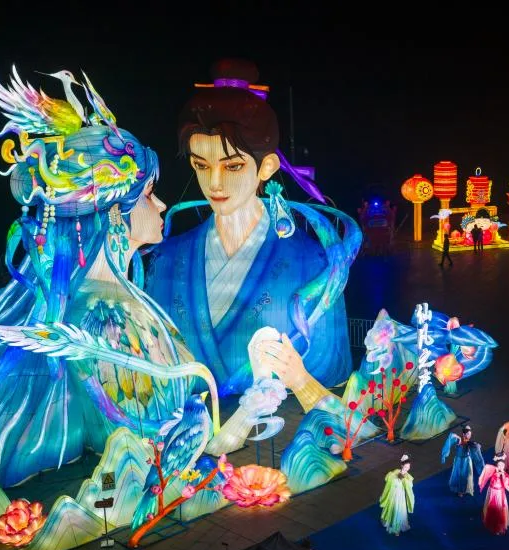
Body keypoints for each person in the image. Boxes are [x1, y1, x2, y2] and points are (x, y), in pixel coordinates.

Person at [0, 69, 215, 490]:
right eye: (148, 194)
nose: (163, 204)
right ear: (113, 212)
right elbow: (145, 431)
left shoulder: (115, 304)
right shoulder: (105, 318)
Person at [145, 59, 359, 399]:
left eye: (232, 166)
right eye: (201, 165)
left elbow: (329, 370)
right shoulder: (167, 258)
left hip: (279, 424)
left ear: (267, 166)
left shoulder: (313, 262)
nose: (215, 183)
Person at [478, 453, 509, 535]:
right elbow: (486, 467)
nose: (501, 467)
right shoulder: (493, 470)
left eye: (502, 465)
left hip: (499, 494)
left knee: (498, 510)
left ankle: (498, 527)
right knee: (491, 509)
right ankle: (491, 524)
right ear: (497, 465)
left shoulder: (505, 476)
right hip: (491, 492)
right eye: (499, 465)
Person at [440, 425, 485, 497]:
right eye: (467, 434)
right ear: (464, 433)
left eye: (469, 434)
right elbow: (451, 437)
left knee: (468, 475)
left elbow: (476, 452)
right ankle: (460, 490)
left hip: (467, 460)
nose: (469, 435)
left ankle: (467, 488)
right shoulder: (459, 440)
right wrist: (444, 455)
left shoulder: (470, 443)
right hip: (459, 461)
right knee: (460, 475)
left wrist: (477, 446)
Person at [379, 454, 415, 536]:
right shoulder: (396, 472)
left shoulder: (408, 476)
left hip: (400, 496)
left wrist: (404, 479)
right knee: (393, 509)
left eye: (408, 467)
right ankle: (391, 525)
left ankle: (396, 528)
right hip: (393, 494)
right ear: (402, 466)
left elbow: (410, 486)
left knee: (398, 511)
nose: (407, 468)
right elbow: (387, 478)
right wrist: (395, 477)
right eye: (406, 467)